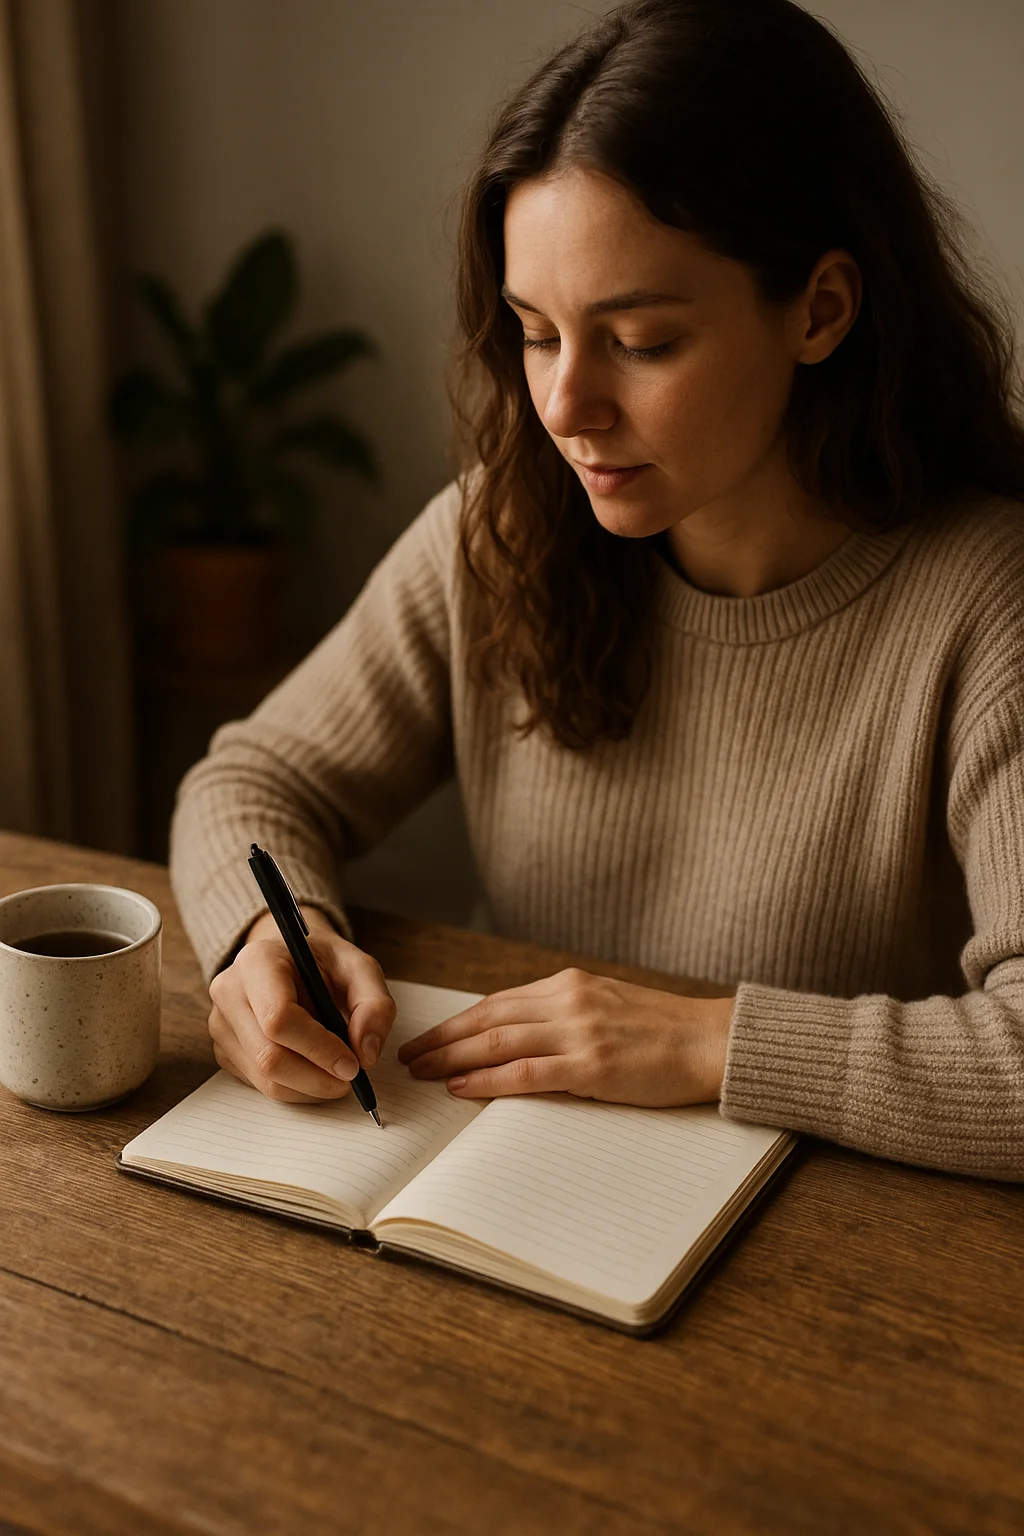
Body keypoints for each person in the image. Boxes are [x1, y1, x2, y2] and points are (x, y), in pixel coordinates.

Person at [169, 0, 1024, 1181]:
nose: (565, 407)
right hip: (511, 1200)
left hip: (837, 1266)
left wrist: (707, 1039)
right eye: (534, 333)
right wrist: (275, 934)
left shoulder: (989, 604)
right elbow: (255, 778)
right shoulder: (503, 532)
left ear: (820, 311)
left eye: (641, 340)